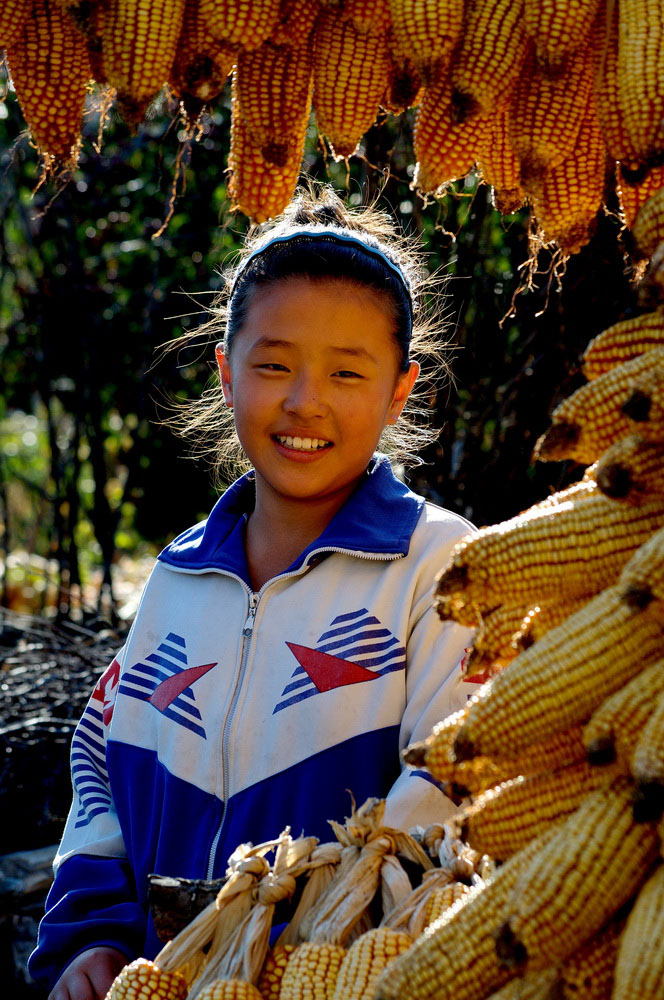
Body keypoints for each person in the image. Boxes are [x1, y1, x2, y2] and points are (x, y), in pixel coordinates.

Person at [30, 186, 479, 1000]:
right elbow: (101, 758)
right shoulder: (178, 577)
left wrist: (309, 949)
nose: (305, 401)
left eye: (348, 372)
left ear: (400, 390)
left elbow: (454, 787)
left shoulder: (441, 567)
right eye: (273, 365)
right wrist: (87, 937)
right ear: (225, 372)